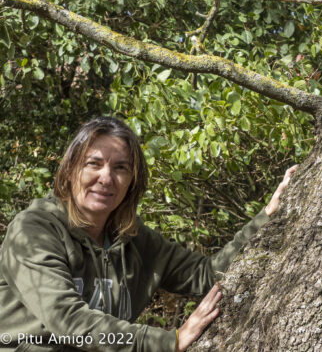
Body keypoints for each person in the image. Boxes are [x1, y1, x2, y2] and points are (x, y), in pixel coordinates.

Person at [0, 116, 297, 352]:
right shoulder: (34, 232)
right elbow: (68, 320)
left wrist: (267, 216)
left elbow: (208, 273)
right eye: (94, 163)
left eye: (120, 168)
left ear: (132, 181)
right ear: (69, 170)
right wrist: (168, 342)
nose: (106, 178)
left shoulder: (135, 241)